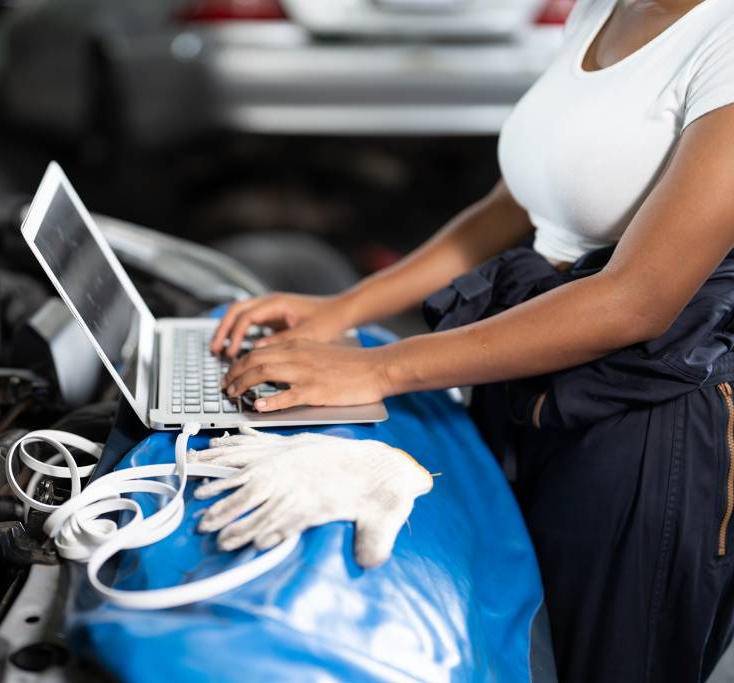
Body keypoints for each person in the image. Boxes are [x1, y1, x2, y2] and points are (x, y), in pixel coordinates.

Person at [208, 1, 734, 682]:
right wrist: (341, 309)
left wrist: (378, 369)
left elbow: (640, 298)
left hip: (646, 415)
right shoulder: (604, 8)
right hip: (532, 369)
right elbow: (515, 204)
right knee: (516, 644)